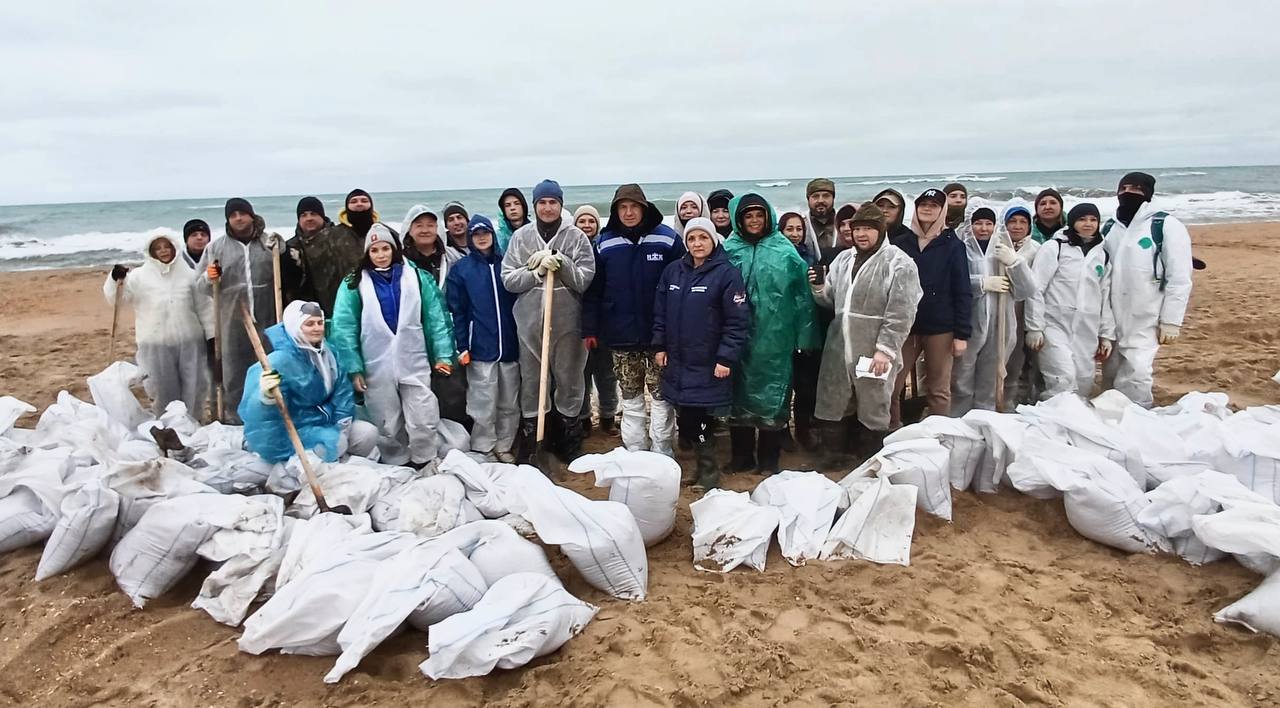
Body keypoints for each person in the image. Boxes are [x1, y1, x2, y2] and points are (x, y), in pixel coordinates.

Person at [329, 224, 455, 468]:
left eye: (385, 248)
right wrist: (354, 368)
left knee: (423, 412)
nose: (381, 254)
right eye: (374, 250)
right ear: (368, 254)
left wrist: (443, 355)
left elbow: (436, 317)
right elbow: (344, 328)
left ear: (394, 249)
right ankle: (397, 462)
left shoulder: (417, 277)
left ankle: (425, 458)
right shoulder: (354, 283)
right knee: (386, 419)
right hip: (375, 362)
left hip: (413, 357)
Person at [810, 203, 921, 461]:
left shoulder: (899, 263)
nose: (861, 234)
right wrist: (817, 287)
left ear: (881, 230)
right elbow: (831, 300)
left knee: (874, 403)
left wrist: (885, 350)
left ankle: (870, 458)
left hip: (873, 346)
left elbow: (902, 312)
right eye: (856, 228)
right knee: (835, 399)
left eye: (868, 228)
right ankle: (834, 456)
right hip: (839, 345)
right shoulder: (843, 259)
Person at [582, 184, 684, 456]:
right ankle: (636, 450)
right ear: (616, 211)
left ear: (644, 208)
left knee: (661, 398)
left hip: (659, 336)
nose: (628, 213)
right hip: (620, 334)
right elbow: (594, 289)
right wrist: (590, 328)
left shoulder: (668, 239)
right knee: (631, 397)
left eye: (634, 207)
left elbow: (682, 283)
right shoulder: (604, 242)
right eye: (622, 207)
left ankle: (663, 451)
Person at [722, 193, 820, 474]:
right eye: (748, 216)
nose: (754, 221)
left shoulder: (784, 251)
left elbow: (803, 297)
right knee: (736, 397)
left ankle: (768, 460)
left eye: (759, 215)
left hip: (776, 338)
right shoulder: (729, 249)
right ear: (739, 219)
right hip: (736, 338)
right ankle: (741, 458)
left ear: (768, 217)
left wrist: (805, 337)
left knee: (772, 399)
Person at [500, 179, 596, 462]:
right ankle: (534, 440)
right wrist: (536, 272)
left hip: (568, 323)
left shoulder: (576, 237)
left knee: (569, 379)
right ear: (535, 205)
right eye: (542, 202)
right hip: (529, 323)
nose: (547, 207)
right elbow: (508, 279)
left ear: (560, 205)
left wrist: (562, 263)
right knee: (532, 381)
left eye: (553, 202)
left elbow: (583, 280)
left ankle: (569, 440)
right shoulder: (521, 238)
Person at [653, 217, 751, 490]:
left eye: (703, 238)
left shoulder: (727, 274)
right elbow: (660, 312)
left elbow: (737, 321)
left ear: (713, 240)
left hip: (709, 362)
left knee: (704, 419)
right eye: (692, 239)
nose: (697, 243)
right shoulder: (673, 272)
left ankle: (709, 473)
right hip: (678, 362)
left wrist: (725, 358)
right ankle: (698, 467)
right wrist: (659, 346)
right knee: (689, 418)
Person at [240, 300, 379, 463]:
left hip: (325, 423)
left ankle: (336, 463)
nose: (317, 328)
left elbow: (342, 392)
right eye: (309, 324)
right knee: (334, 442)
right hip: (292, 431)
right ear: (295, 327)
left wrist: (342, 425)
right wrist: (265, 398)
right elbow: (259, 416)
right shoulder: (279, 362)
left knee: (367, 433)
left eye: (320, 322)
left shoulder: (330, 354)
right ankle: (296, 466)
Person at [1100, 171, 1193, 408]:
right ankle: (1112, 420)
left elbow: (1180, 277)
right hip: (1112, 316)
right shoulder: (1110, 227)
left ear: (1148, 194)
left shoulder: (1165, 225)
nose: (1128, 193)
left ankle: (1140, 416)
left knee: (1137, 372)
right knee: (1110, 373)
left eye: (1136, 189)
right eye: (1124, 188)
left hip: (1146, 317)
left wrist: (1171, 321)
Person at [194, 197, 282, 424]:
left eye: (242, 213)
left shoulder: (268, 243)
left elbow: (286, 272)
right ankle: (235, 420)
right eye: (233, 215)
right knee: (234, 372)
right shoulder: (216, 248)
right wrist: (209, 277)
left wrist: (282, 248)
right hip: (232, 318)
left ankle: (270, 417)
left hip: (267, 315)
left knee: (269, 368)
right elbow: (200, 285)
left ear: (251, 215)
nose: (238, 218)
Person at [890, 188, 971, 426]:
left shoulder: (953, 245)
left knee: (938, 390)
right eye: (923, 204)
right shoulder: (900, 243)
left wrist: (961, 334)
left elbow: (962, 291)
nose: (927, 209)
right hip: (905, 327)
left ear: (942, 210)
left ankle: (937, 439)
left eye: (934, 205)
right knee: (890, 386)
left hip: (940, 329)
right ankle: (890, 433)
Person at [105, 233, 209, 417]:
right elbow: (118, 299)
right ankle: (166, 424)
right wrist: (115, 280)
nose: (163, 251)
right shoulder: (138, 277)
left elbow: (204, 307)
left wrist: (211, 334)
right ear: (151, 251)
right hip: (154, 341)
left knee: (194, 384)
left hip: (190, 339)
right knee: (162, 387)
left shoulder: (190, 275)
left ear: (174, 248)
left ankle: (193, 421)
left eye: (167, 246)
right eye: (158, 248)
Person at [447, 215, 522, 462]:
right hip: (480, 347)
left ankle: (504, 445)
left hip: (510, 347)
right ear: (470, 237)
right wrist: (463, 345)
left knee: (509, 402)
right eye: (476, 234)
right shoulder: (462, 270)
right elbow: (457, 311)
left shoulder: (507, 265)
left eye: (485, 233)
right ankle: (483, 447)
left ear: (492, 234)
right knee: (483, 402)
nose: (481, 237)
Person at [949, 207, 1037, 415]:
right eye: (978, 223)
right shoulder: (962, 249)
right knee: (962, 376)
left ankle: (985, 418)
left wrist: (1015, 263)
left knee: (991, 376)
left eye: (988, 224)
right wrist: (981, 283)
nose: (983, 228)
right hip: (969, 324)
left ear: (995, 226)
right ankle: (959, 418)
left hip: (1000, 325)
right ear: (971, 225)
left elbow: (1026, 290)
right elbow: (952, 283)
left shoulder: (1003, 250)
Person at [1025, 203, 1116, 399]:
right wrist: (1034, 327)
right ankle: (1053, 421)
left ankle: (1072, 424)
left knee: (1084, 380)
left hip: (1087, 329)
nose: (1088, 224)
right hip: (1054, 325)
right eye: (1082, 219)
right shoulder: (1055, 247)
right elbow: (1036, 288)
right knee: (1062, 378)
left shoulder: (1102, 254)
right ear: (1072, 222)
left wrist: (1106, 334)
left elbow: (1104, 296)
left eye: (1093, 220)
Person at [573, 204, 617, 435]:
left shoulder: (605, 248)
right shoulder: (570, 249)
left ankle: (608, 415)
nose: (587, 226)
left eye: (591, 221)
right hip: (577, 323)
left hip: (606, 322)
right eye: (582, 221)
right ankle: (583, 418)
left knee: (607, 374)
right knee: (581, 374)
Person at [281, 195, 364, 315]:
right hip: (309, 310)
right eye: (303, 215)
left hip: (343, 302)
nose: (309, 218)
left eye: (313, 213)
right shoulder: (291, 247)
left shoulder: (342, 237)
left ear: (322, 216)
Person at [1001, 205, 1044, 405]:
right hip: (998, 311)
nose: (1017, 226)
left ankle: (1013, 402)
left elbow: (1036, 289)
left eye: (1023, 222)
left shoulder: (1036, 250)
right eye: (1012, 221)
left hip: (1022, 312)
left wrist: (1034, 326)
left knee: (1018, 362)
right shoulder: (996, 246)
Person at [401, 205, 459, 290]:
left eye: (430, 225)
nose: (425, 230)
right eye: (419, 225)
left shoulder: (453, 257)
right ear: (409, 230)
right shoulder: (401, 261)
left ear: (437, 228)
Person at [802, 178, 836, 256]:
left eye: (826, 196)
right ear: (808, 199)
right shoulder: (800, 226)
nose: (820, 200)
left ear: (833, 198)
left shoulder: (844, 225)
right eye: (815, 196)